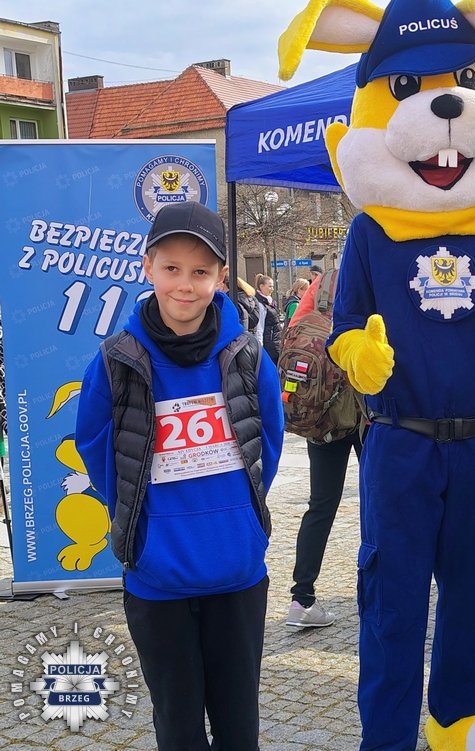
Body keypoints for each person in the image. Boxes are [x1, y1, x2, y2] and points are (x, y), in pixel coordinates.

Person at [75, 201, 284, 751]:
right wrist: (140, 522)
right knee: (178, 727)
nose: (185, 285)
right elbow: (95, 444)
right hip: (156, 578)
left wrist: (240, 516)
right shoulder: (117, 359)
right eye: (171, 268)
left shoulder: (246, 355)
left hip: (237, 575)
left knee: (239, 728)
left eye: (200, 271)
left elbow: (268, 440)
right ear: (148, 268)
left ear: (220, 277)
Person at [285, 270, 364, 628]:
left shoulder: (322, 285)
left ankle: (301, 599)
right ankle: (378, 591)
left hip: (319, 416)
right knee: (378, 502)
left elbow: (292, 340)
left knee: (320, 506)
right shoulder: (371, 276)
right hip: (363, 412)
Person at [254, 273, 282, 363]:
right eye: (270, 286)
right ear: (261, 286)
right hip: (269, 344)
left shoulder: (270, 301)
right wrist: (260, 347)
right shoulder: (260, 304)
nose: (272, 289)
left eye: (272, 286)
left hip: (275, 342)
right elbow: (259, 327)